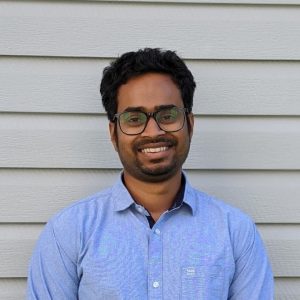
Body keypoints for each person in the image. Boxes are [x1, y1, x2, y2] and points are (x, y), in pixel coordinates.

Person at [27, 48, 273, 299]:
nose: (153, 131)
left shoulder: (236, 232)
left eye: (167, 115)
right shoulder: (68, 231)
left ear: (189, 124)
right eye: (134, 118)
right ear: (114, 133)